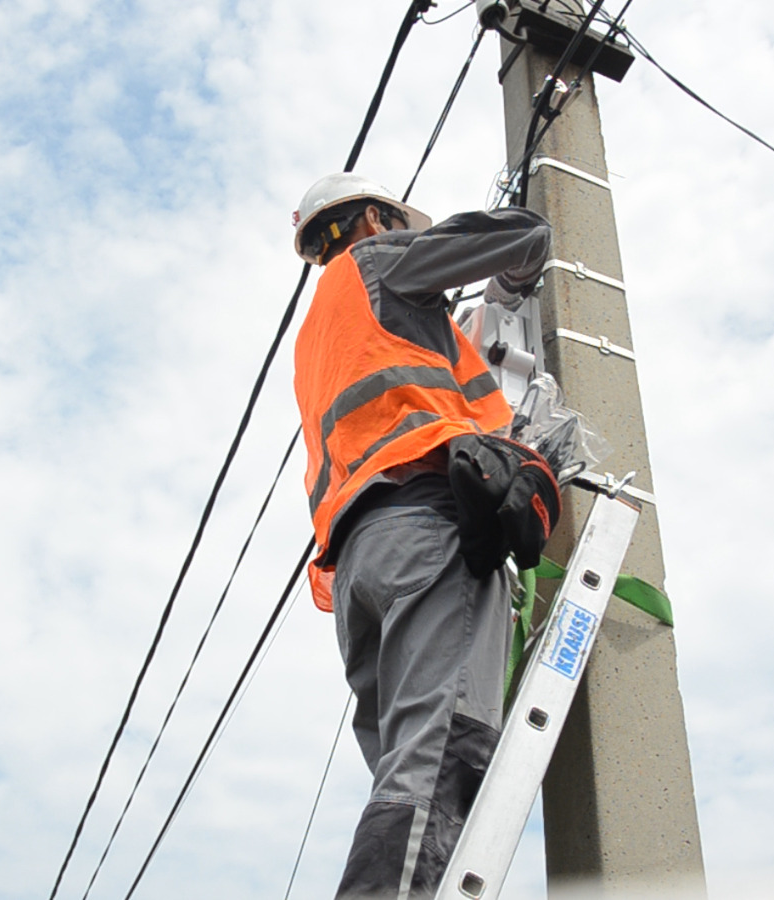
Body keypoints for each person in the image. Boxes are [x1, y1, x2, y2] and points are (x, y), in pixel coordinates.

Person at [291, 173, 560, 899]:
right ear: (376, 218)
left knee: (406, 773)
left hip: (359, 567)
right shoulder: (381, 263)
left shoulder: (322, 329)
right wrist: (507, 288)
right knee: (444, 756)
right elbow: (525, 234)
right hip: (428, 527)